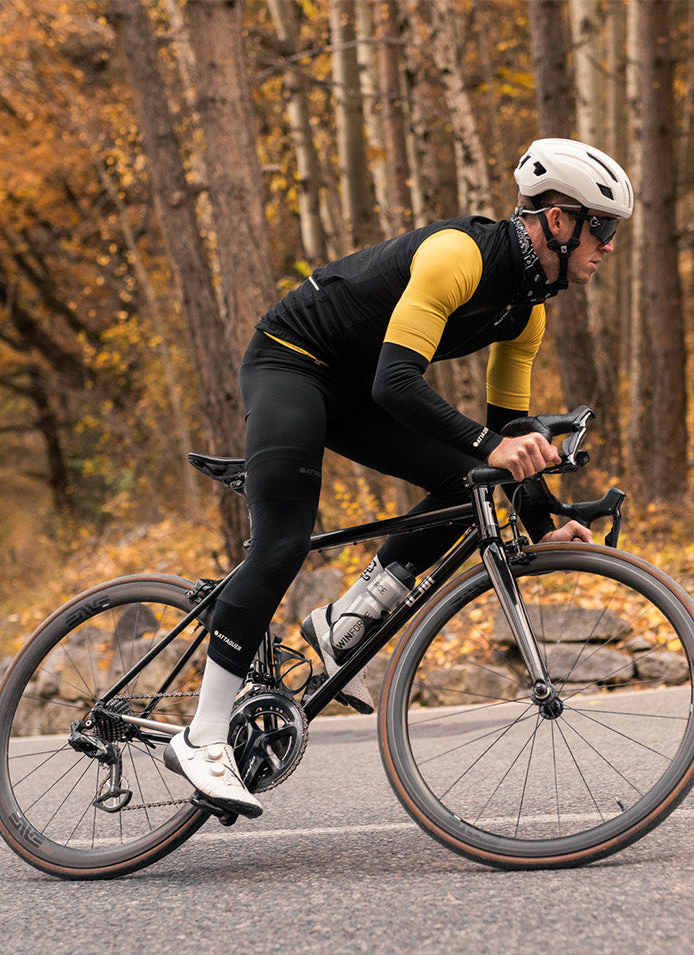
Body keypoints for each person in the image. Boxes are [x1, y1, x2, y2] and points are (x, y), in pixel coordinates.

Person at [165, 138, 635, 815]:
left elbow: (509, 436)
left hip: (356, 390)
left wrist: (544, 519)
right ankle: (203, 736)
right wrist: (487, 444)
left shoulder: (526, 310)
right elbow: (396, 382)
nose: (608, 245)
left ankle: (345, 620)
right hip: (293, 365)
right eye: (603, 227)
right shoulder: (458, 257)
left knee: (477, 475)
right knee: (283, 543)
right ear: (558, 220)